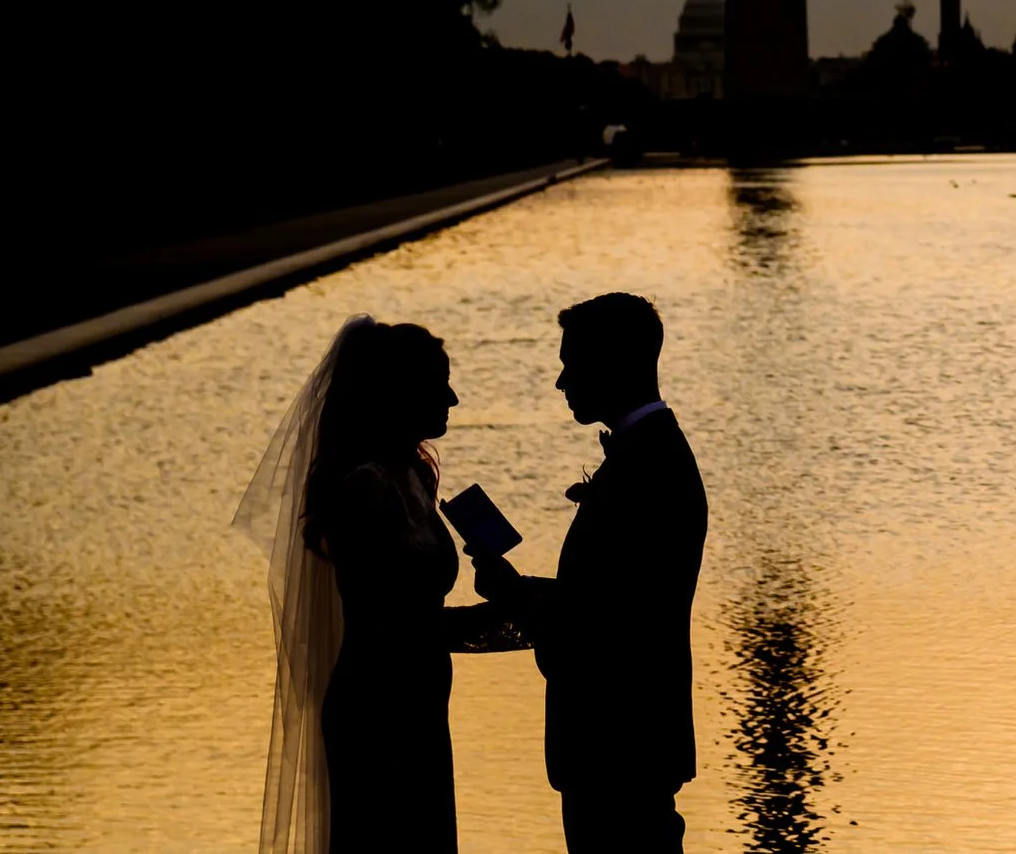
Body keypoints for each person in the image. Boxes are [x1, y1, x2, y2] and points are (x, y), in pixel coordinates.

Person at [234, 317, 525, 854]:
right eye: (439, 385)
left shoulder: (412, 475)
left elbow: (419, 617)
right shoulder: (364, 490)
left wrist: (518, 605)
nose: (453, 399)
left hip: (419, 704)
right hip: (377, 708)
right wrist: (527, 616)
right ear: (397, 394)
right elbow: (393, 624)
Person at [471, 292, 709, 854]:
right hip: (629, 738)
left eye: (571, 364)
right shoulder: (649, 453)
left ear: (612, 365)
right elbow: (610, 596)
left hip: (618, 738)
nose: (561, 382)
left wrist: (512, 594)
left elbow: (608, 622)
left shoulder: (645, 467)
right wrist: (521, 591)